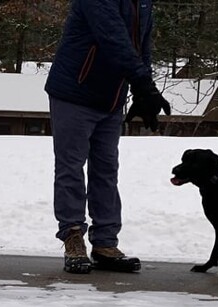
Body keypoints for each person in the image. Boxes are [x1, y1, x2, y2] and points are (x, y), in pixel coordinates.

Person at [44, 0, 171, 274]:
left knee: (106, 170)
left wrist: (143, 89)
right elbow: (112, 37)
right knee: (71, 167)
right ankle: (72, 237)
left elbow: (140, 47)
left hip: (111, 98)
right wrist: (141, 82)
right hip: (74, 91)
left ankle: (104, 244)